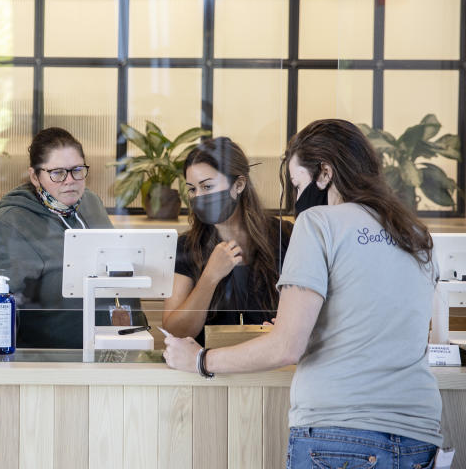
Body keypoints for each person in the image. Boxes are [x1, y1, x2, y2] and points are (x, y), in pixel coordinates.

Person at [163, 119, 442, 467]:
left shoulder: (317, 224)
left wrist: (200, 361)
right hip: (420, 436)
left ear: (324, 173)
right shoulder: (415, 233)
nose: (297, 199)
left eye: (296, 185)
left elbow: (285, 348)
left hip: (340, 435)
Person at [0, 127, 126, 349]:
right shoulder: (8, 224)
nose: (70, 181)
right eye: (58, 173)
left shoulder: (90, 202)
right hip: (50, 362)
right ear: (35, 176)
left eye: (77, 170)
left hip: (114, 348)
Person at [162, 137, 292, 345]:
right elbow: (176, 331)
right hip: (209, 368)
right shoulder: (187, 246)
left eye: (207, 187)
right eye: (193, 189)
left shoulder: (283, 235)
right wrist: (209, 277)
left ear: (238, 185)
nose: (199, 197)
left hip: (273, 364)